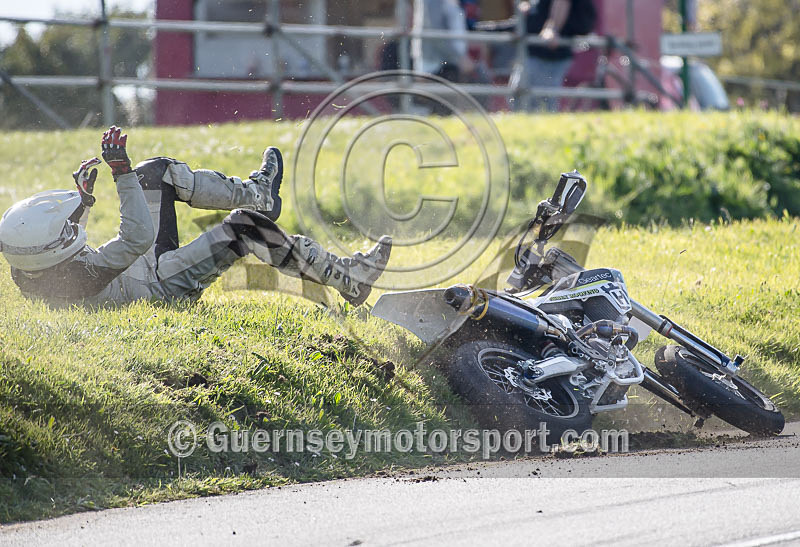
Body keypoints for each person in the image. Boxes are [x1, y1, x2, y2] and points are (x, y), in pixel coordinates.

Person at [0, 126, 392, 308]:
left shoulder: (31, 267)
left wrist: (83, 205)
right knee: (245, 230)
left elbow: (58, 247)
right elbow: (136, 238)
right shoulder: (78, 280)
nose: (73, 231)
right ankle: (347, 278)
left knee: (155, 172)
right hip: (161, 283)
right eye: (67, 229)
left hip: (139, 268)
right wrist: (119, 173)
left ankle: (260, 194)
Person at [516, 0, 597, 112]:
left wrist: (552, 29)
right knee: (521, 97)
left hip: (549, 53)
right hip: (538, 50)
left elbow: (563, 2)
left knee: (541, 102)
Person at [411, 0, 474, 83]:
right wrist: (459, 58)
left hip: (448, 63)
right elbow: (434, 32)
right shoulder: (433, 3)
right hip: (438, 65)